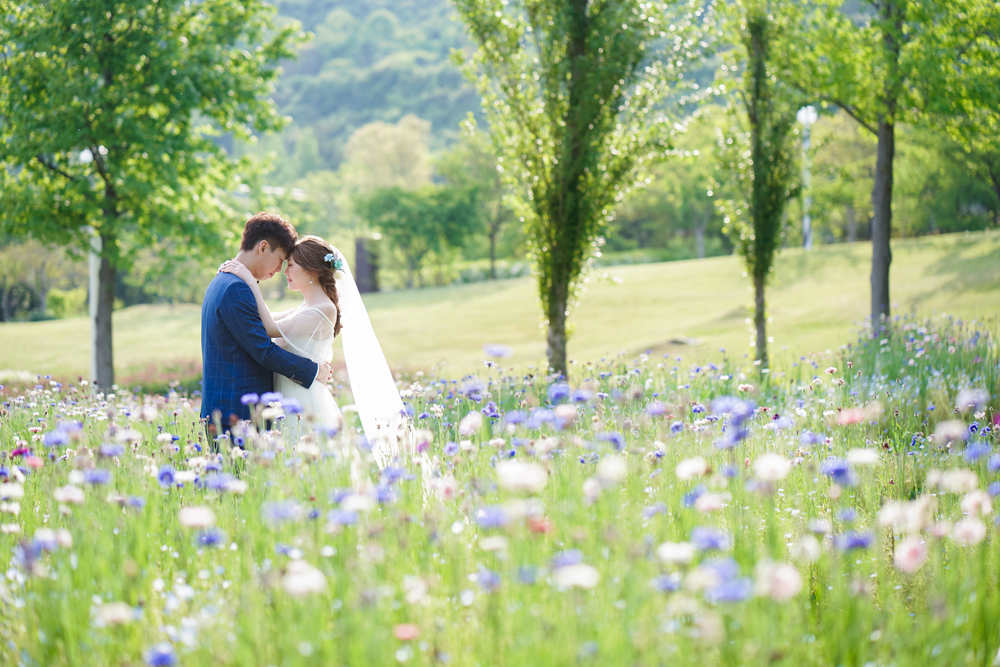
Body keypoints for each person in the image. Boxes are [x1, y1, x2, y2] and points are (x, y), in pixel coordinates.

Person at [220, 235, 411, 467]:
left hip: (304, 401)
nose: (285, 271)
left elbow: (269, 328)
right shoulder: (306, 307)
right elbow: (266, 318)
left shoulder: (323, 310)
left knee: (307, 467)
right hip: (290, 397)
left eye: (291, 265)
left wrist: (250, 282)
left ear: (311, 271)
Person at [201, 213, 332, 447]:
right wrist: (313, 371)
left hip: (230, 409)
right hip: (236, 412)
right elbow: (263, 350)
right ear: (263, 247)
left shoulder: (225, 281)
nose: (281, 269)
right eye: (281, 260)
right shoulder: (236, 288)